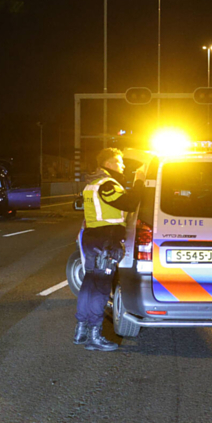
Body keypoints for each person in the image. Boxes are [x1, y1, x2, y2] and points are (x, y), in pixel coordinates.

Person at [74, 148, 143, 351]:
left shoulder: (92, 184)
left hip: (93, 238)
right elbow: (130, 203)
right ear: (110, 163)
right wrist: (139, 180)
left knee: (89, 284)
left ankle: (81, 330)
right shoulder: (107, 185)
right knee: (101, 288)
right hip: (106, 240)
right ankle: (94, 336)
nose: (123, 166)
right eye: (120, 163)